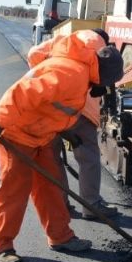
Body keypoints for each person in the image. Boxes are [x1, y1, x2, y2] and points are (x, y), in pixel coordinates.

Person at [0, 29, 123, 262]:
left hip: (42, 135)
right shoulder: (71, 74)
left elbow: (57, 105)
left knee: (52, 188)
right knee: (14, 191)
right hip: (17, 133)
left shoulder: (80, 71)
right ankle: (1, 245)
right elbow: (22, 92)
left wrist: (66, 131)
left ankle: (60, 237)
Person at [27, 28, 120, 219]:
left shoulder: (64, 41)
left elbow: (33, 54)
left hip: (51, 107)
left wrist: (49, 74)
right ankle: (91, 205)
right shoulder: (100, 48)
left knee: (53, 158)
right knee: (88, 158)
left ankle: (61, 204)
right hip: (82, 111)